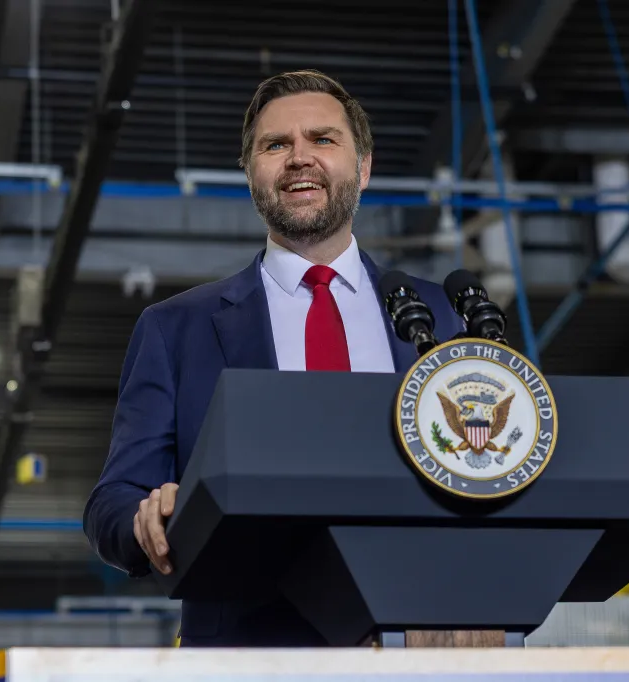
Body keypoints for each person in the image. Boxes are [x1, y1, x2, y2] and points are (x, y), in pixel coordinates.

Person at [82, 70, 465, 647]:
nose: (299, 158)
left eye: (323, 139)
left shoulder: (440, 316)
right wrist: (148, 519)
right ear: (251, 172)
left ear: (363, 167)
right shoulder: (175, 328)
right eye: (276, 145)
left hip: (423, 644)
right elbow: (112, 503)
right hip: (248, 651)